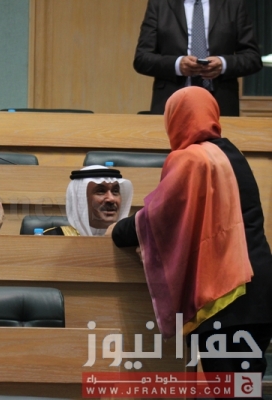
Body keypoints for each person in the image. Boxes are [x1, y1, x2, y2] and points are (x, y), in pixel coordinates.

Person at [109, 86, 272, 378]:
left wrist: (118, 231)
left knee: (230, 391)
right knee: (246, 387)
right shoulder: (233, 155)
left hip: (226, 294)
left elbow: (159, 217)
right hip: (259, 291)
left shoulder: (192, 159)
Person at [134, 0, 262, 116]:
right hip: (171, 101)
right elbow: (142, 58)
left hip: (220, 103)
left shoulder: (233, 4)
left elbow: (253, 58)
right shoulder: (159, 4)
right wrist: (177, 65)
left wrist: (223, 64)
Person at [44, 165, 133, 236]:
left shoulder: (134, 240)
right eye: (101, 191)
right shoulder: (53, 238)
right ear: (81, 200)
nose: (111, 198)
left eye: (115, 191)